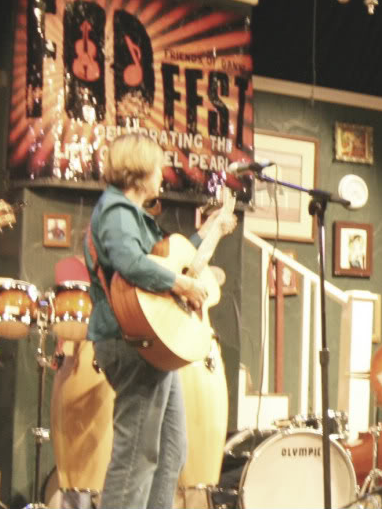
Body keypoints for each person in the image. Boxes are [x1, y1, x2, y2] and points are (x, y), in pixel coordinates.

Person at [83, 133, 236, 508]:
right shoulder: (117, 211)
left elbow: (168, 260)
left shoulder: (133, 215)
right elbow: (130, 263)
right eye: (157, 168)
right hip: (130, 341)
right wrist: (181, 284)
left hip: (148, 344)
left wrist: (210, 231)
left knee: (171, 450)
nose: (162, 175)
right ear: (139, 171)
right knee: (136, 454)